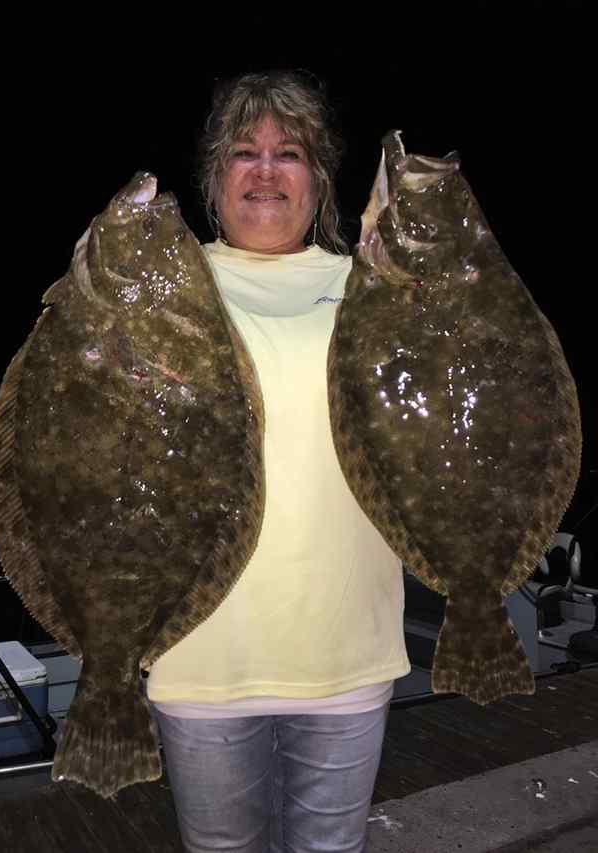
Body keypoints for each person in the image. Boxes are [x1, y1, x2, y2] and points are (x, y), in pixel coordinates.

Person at [146, 69, 411, 853]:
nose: (265, 170)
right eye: (242, 152)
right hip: (199, 656)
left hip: (347, 651)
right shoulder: (160, 288)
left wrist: (403, 264)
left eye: (288, 152)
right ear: (213, 178)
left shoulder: (369, 286)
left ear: (320, 179)